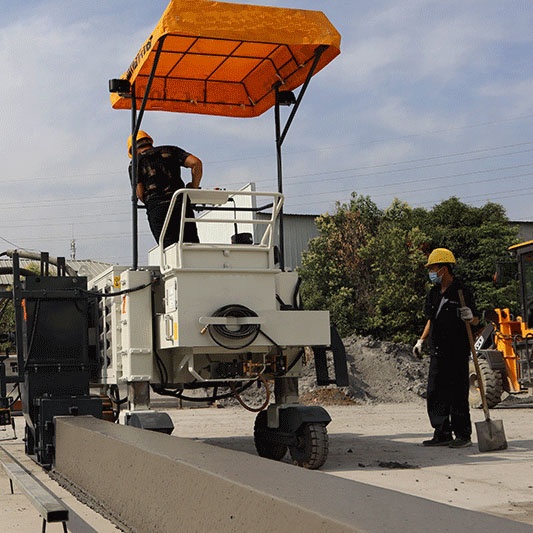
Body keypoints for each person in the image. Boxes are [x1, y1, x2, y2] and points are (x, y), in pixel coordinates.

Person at [413, 248, 479, 448]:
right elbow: (431, 320)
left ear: (444, 268)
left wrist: (471, 317)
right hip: (437, 350)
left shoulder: (462, 291)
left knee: (458, 393)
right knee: (435, 392)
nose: (431, 272)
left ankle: (463, 435)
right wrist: (421, 341)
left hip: (457, 351)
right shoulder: (433, 293)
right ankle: (441, 432)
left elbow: (476, 320)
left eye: (433, 268)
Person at [128, 130, 202, 247]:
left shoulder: (135, 163)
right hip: (181, 205)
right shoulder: (171, 150)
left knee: (169, 251)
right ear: (150, 142)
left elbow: (140, 194)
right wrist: (194, 186)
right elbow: (196, 163)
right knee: (191, 248)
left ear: (133, 150)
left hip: (158, 209)